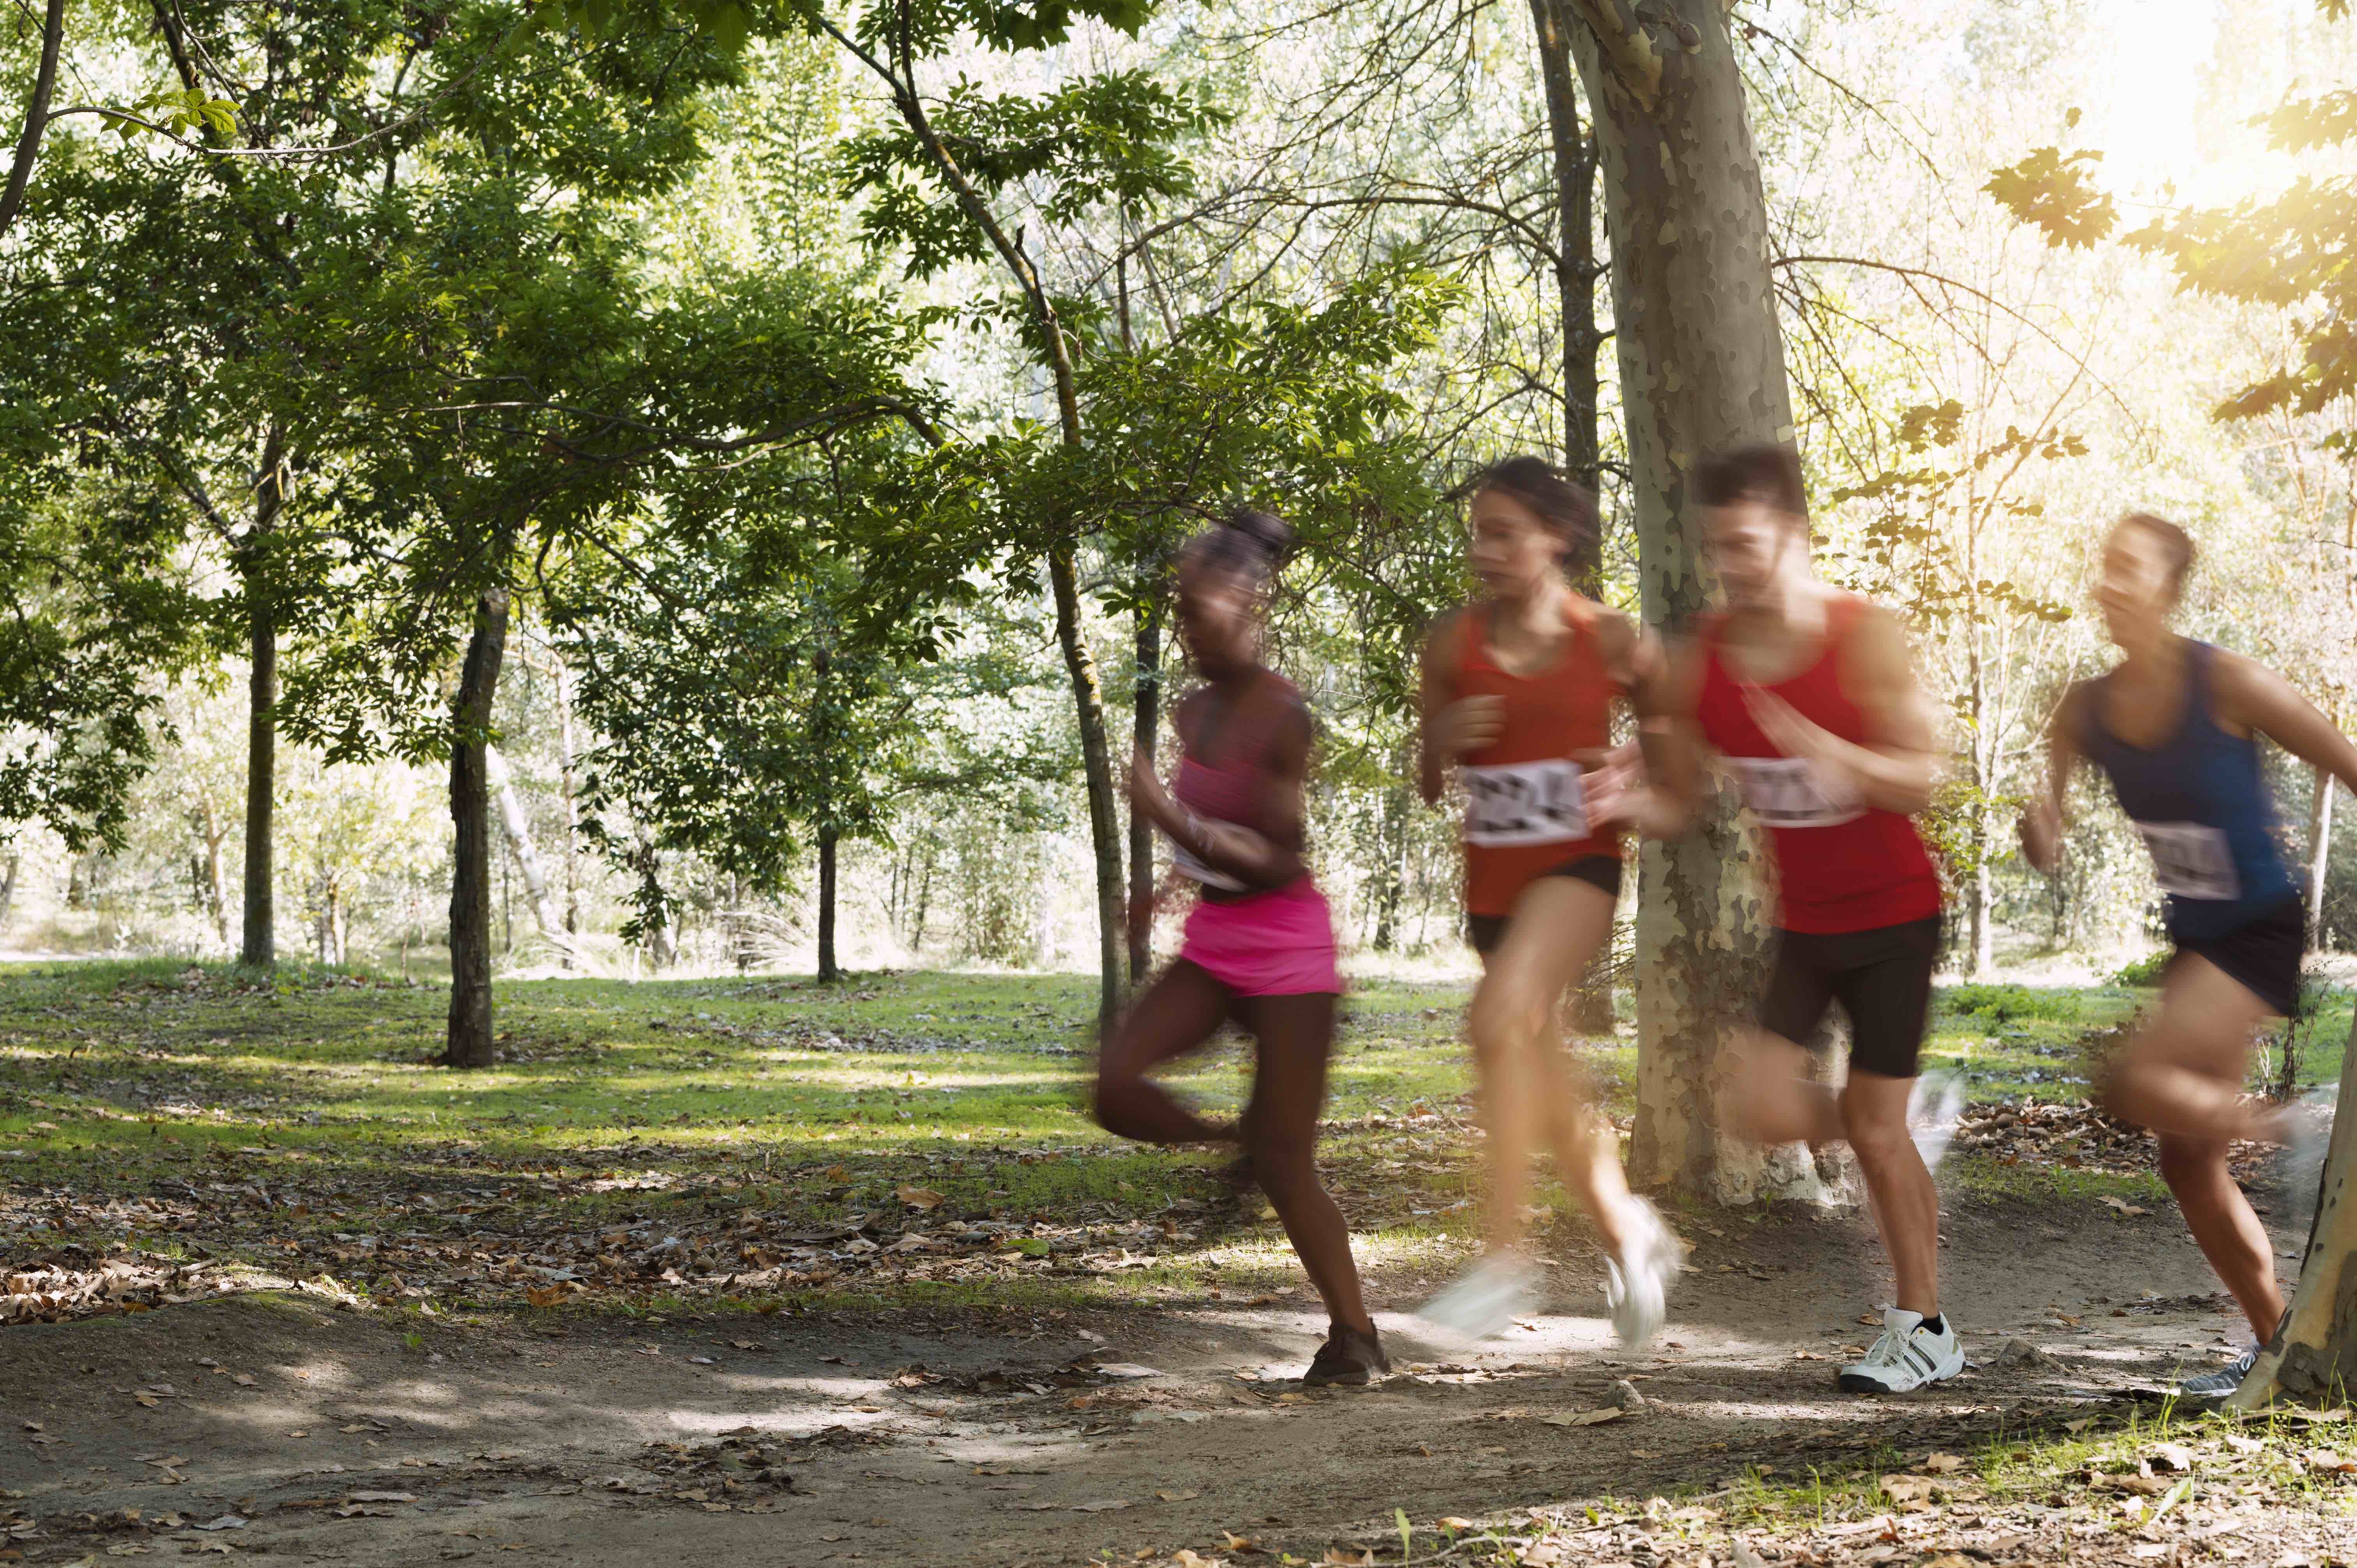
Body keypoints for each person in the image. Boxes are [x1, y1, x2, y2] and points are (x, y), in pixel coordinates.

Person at [1611, 443, 1966, 1394]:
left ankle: (1923, 1327)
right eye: (1719, 547)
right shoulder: (1707, 665)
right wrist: (1614, 794)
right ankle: (1899, 1117)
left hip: (1895, 916)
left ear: (1796, 535)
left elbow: (1924, 775)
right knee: (1756, 1109)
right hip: (1806, 924)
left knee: (1878, 1137)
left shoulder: (1863, 634)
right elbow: (1677, 801)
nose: (1732, 564)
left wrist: (1842, 755)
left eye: (1749, 543)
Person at [2019, 512, 2355, 1397]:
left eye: (2133, 568)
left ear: (2168, 589)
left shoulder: (2227, 682)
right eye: (2108, 565)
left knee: (2126, 1077)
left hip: (2256, 927)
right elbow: (2048, 812)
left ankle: (2296, 1124)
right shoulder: (2083, 707)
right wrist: (2043, 827)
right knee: (2186, 1159)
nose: (2113, 580)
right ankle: (2281, 1349)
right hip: (2196, 938)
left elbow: (2345, 760)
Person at [1094, 507, 1387, 1388]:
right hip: (1216, 944)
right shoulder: (1193, 709)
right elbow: (1214, 841)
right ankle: (1235, 1142)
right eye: (1180, 612)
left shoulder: (1282, 714)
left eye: (1200, 611)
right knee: (1114, 1085)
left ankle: (1358, 1337)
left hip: (1290, 953)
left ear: (1250, 604)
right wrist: (1164, 887)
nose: (1187, 628)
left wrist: (1170, 817)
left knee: (1290, 1162)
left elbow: (1276, 855)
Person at [1413, 456, 1686, 1347]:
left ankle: (1503, 1262)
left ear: (1556, 537)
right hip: (1493, 885)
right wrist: (1441, 738)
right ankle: (1629, 1233)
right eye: (1477, 533)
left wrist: (1636, 790)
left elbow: (1683, 773)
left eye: (1503, 532)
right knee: (1544, 1077)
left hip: (1578, 870)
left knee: (1495, 1022)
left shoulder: (1609, 639)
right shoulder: (1450, 644)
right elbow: (1428, 777)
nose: (1483, 550)